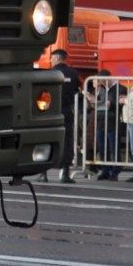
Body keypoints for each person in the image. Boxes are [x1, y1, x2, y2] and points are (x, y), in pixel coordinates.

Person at [48, 48, 81, 182]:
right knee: (67, 140)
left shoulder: (50, 73)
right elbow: (75, 90)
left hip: (50, 112)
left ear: (56, 58)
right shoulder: (73, 73)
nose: (50, 60)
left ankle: (43, 173)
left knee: (48, 139)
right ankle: (65, 173)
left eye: (51, 58)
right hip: (66, 111)